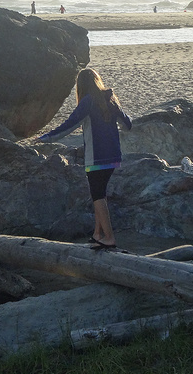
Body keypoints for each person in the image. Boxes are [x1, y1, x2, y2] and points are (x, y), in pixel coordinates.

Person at [36, 68, 132, 250]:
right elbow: (128, 125)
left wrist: (46, 138)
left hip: (95, 157)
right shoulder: (110, 98)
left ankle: (109, 238)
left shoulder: (88, 101)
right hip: (113, 156)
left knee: (97, 196)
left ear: (81, 86)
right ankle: (98, 234)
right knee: (100, 193)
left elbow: (69, 125)